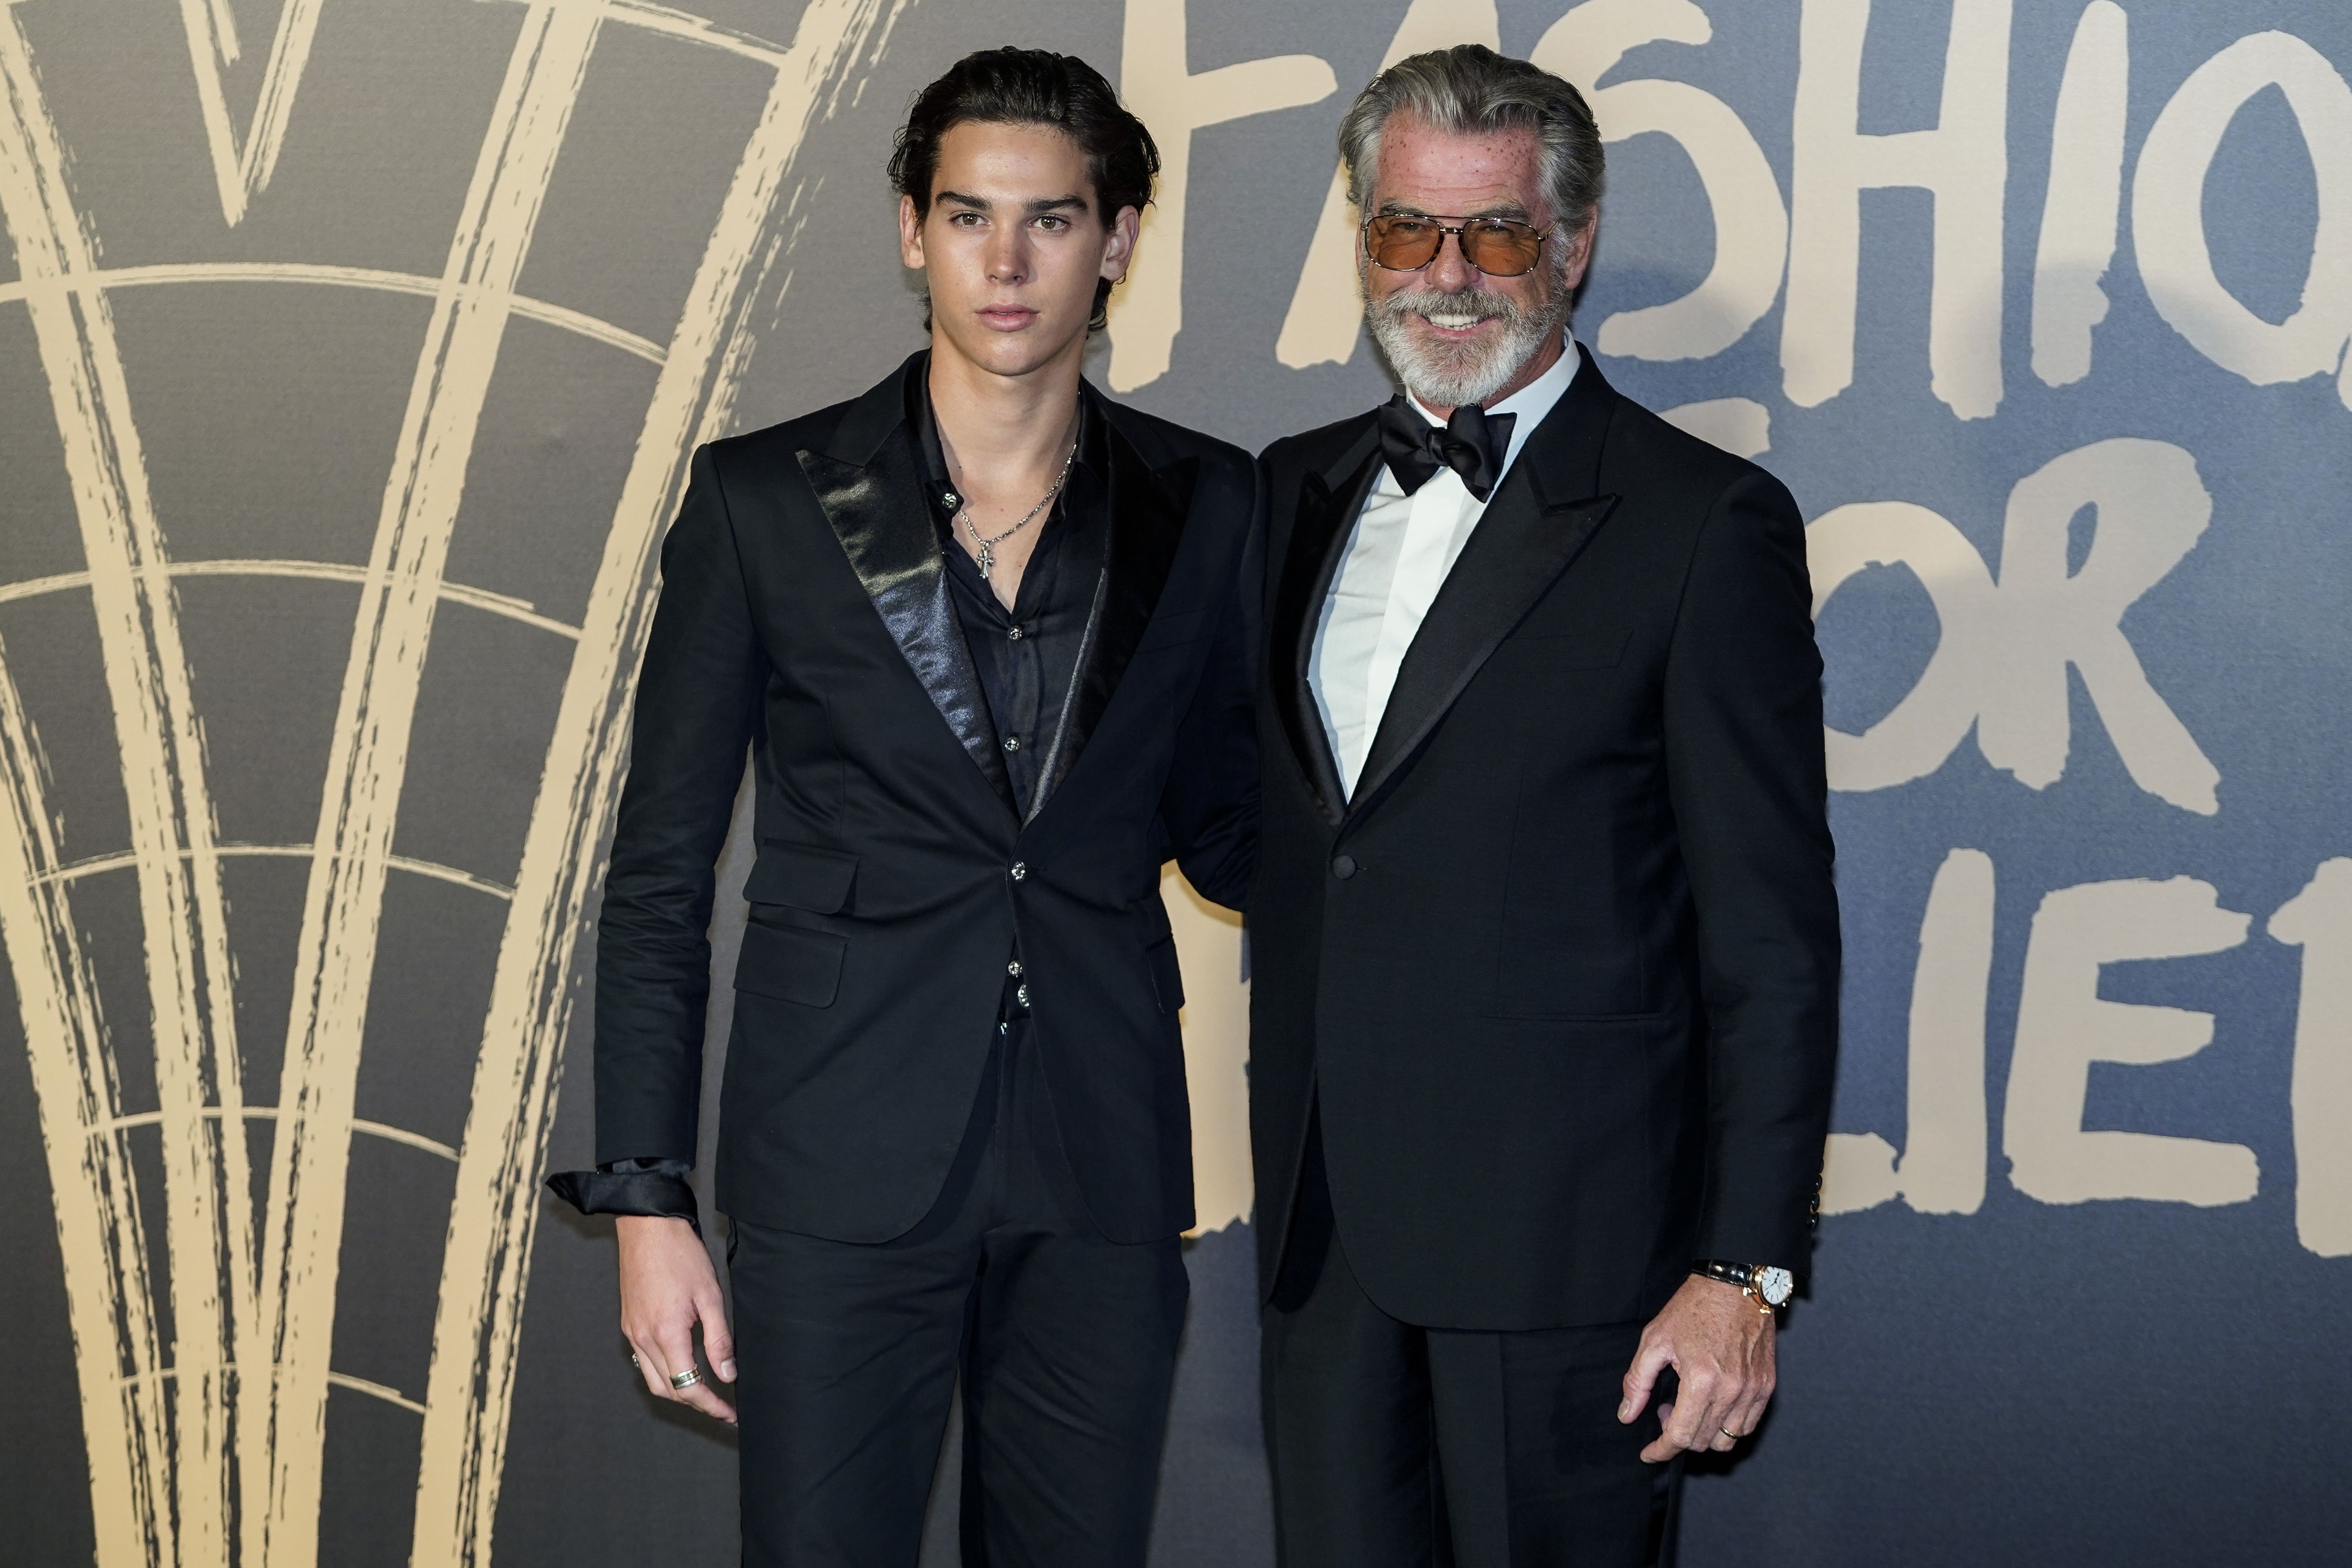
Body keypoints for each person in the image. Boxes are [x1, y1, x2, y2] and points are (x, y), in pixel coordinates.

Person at [547, 48, 1257, 1567]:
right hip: (837, 1161)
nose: (1005, 263)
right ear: (909, 230)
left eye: (1053, 221)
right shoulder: (760, 501)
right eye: (967, 216)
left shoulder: (1216, 506)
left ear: (1119, 237)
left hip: (1101, 1171)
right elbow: (660, 872)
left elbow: (1244, 826)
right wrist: (648, 1202)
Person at [1247, 45, 1839, 1567]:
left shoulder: (1704, 525)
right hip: (1328, 1242)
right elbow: (1284, 832)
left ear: (1570, 245)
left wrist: (1744, 1273)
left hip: (1573, 1268)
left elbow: (1771, 946)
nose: (1446, 275)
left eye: (1495, 232)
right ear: (1362, 237)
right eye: (1405, 231)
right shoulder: (1287, 496)